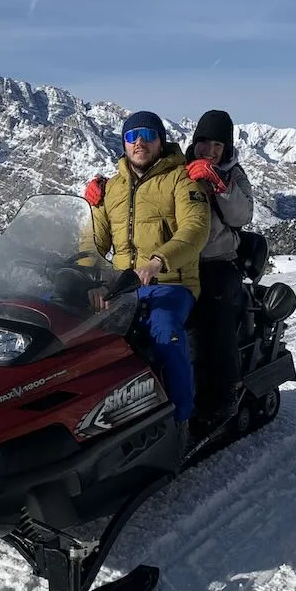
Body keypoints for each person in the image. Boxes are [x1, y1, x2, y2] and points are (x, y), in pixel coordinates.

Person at [84, 110, 210, 424]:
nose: (139, 142)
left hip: (170, 282)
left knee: (165, 334)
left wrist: (158, 261)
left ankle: (181, 419)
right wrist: (85, 276)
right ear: (124, 144)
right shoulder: (110, 188)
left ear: (160, 141)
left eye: (148, 135)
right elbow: (93, 242)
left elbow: (195, 229)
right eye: (131, 136)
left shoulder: (182, 178)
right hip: (121, 286)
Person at [184, 110, 255, 436]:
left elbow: (243, 215)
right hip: (178, 262)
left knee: (211, 323)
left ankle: (222, 397)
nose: (209, 150)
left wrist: (219, 183)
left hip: (218, 262)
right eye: (204, 142)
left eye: (217, 144)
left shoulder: (233, 174)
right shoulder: (175, 168)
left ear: (226, 148)